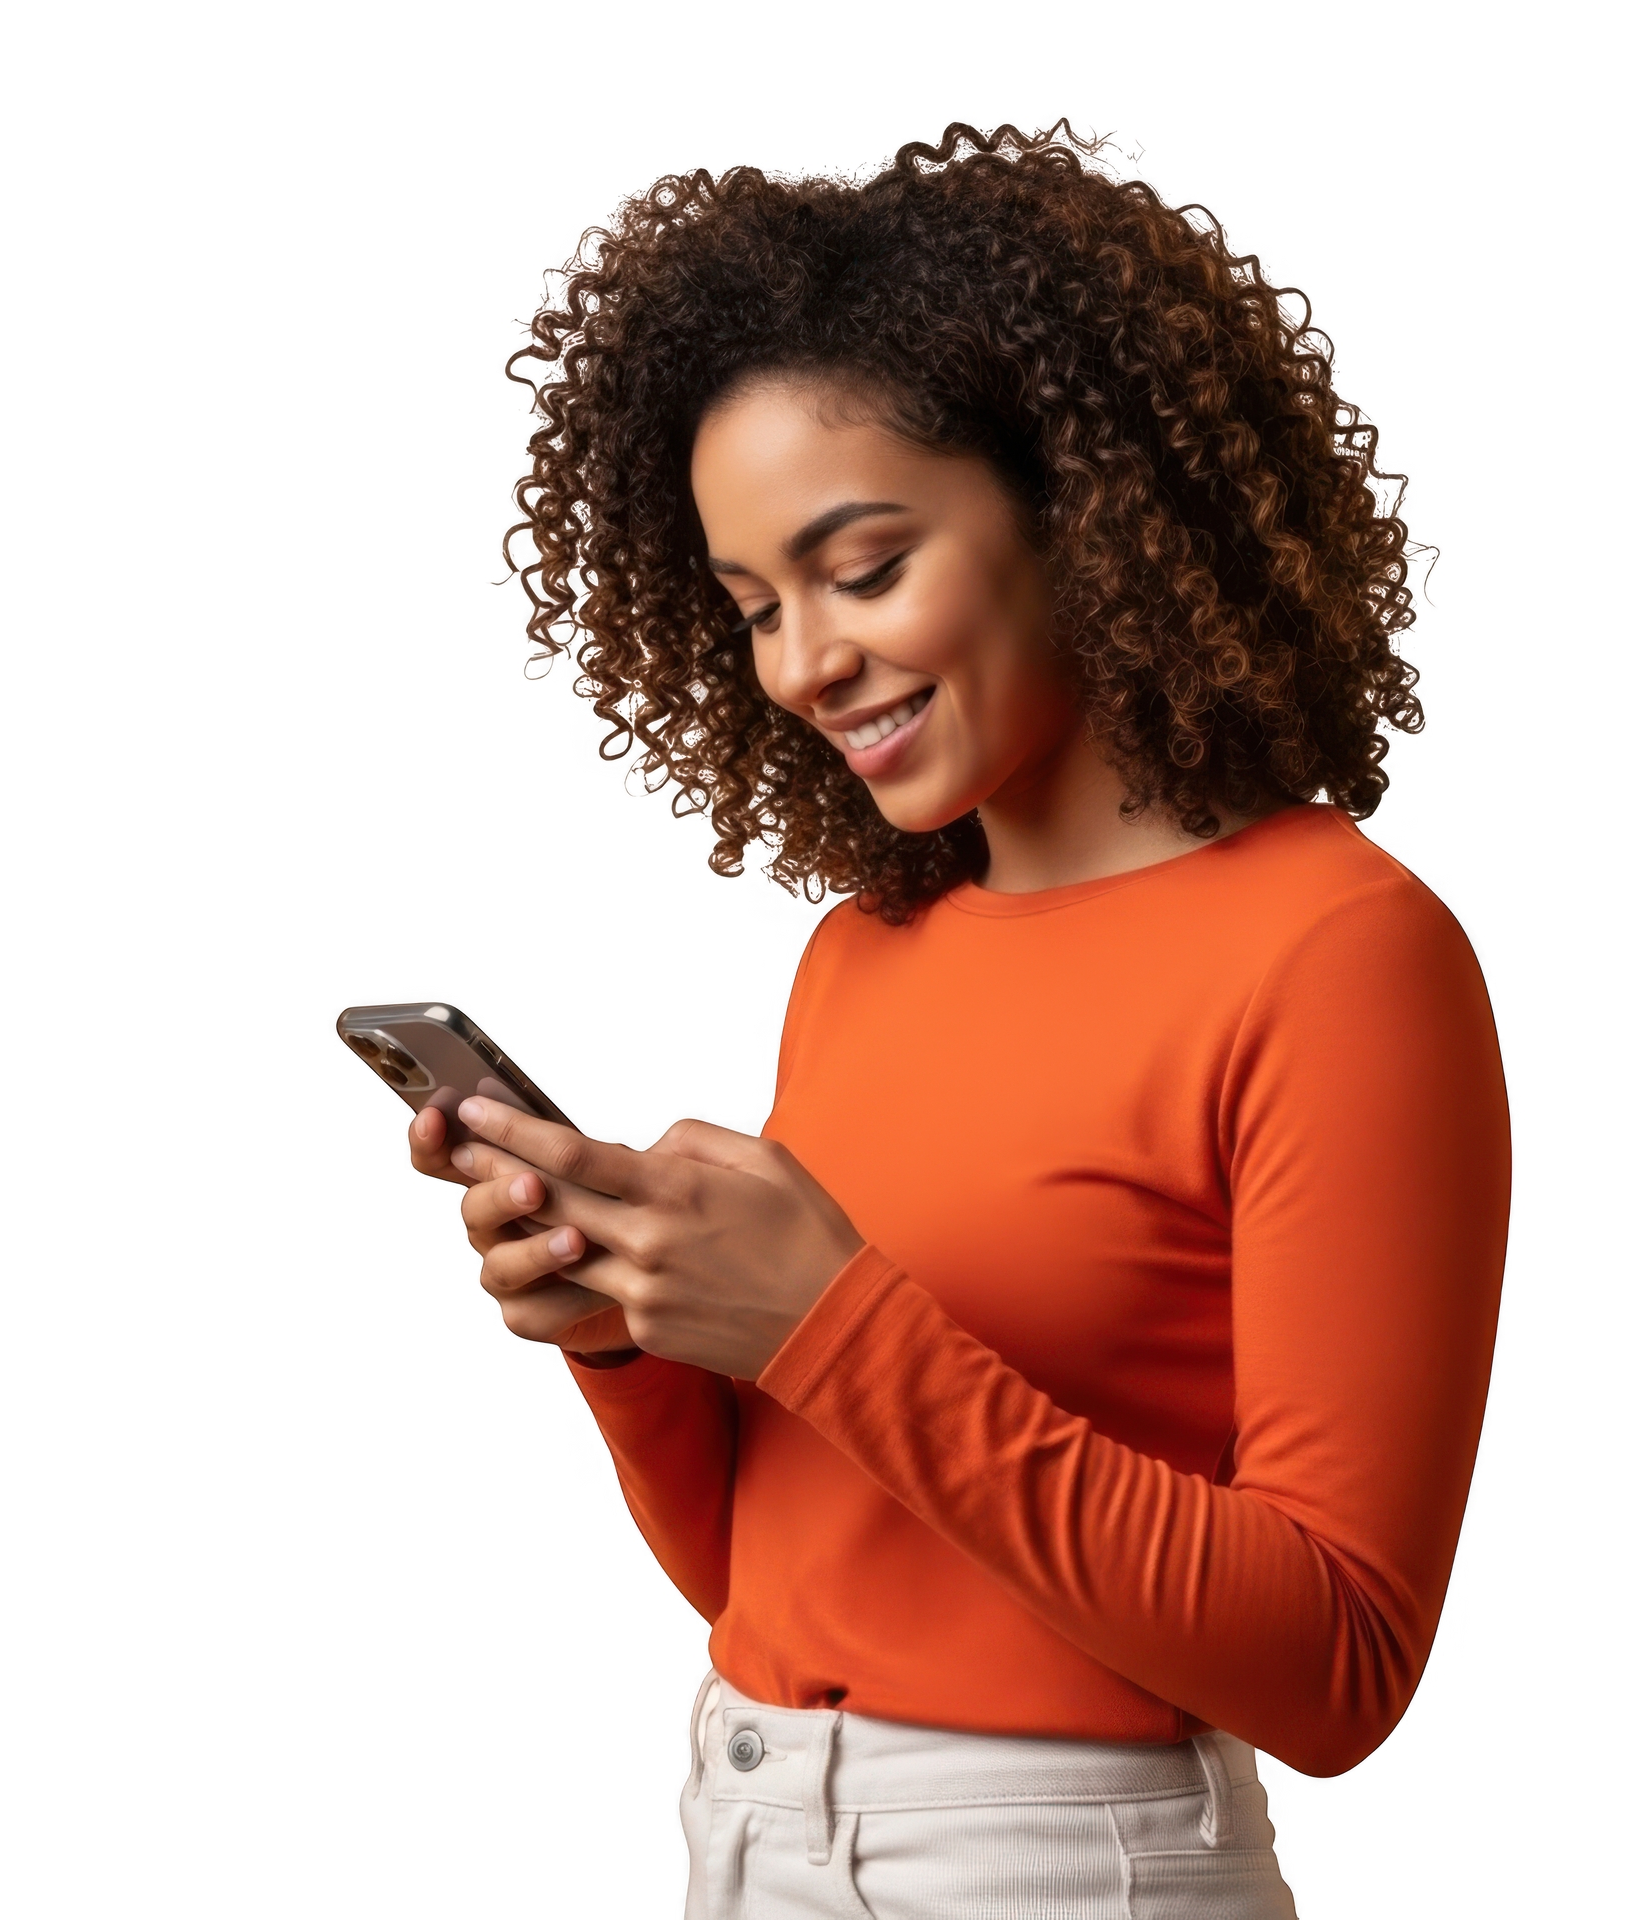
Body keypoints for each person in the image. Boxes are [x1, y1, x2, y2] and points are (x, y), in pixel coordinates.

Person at [414, 116, 1509, 1918]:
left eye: (862, 569)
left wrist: (830, 1321)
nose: (799, 665)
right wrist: (633, 1348)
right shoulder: (865, 946)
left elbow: (1336, 1669)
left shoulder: (1340, 953)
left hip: (1063, 1868)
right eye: (753, 606)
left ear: (1086, 508)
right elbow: (781, 1581)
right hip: (742, 1810)